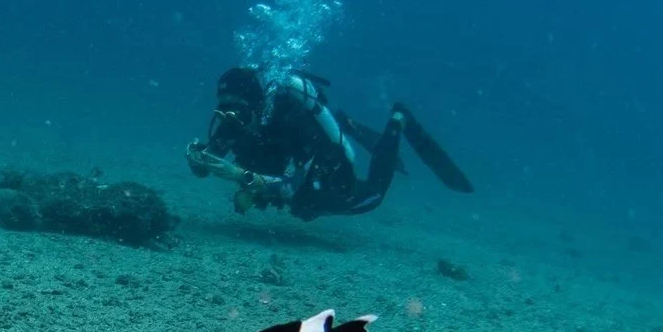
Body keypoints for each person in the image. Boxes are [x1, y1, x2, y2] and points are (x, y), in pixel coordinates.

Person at [185, 65, 472, 219]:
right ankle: (345, 121)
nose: (231, 119)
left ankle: (398, 119)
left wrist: (242, 176)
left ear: (258, 105)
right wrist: (198, 159)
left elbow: (293, 183)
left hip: (324, 171)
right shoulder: (232, 120)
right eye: (226, 111)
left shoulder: (293, 121)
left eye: (240, 111)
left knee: (369, 198)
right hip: (277, 176)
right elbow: (207, 164)